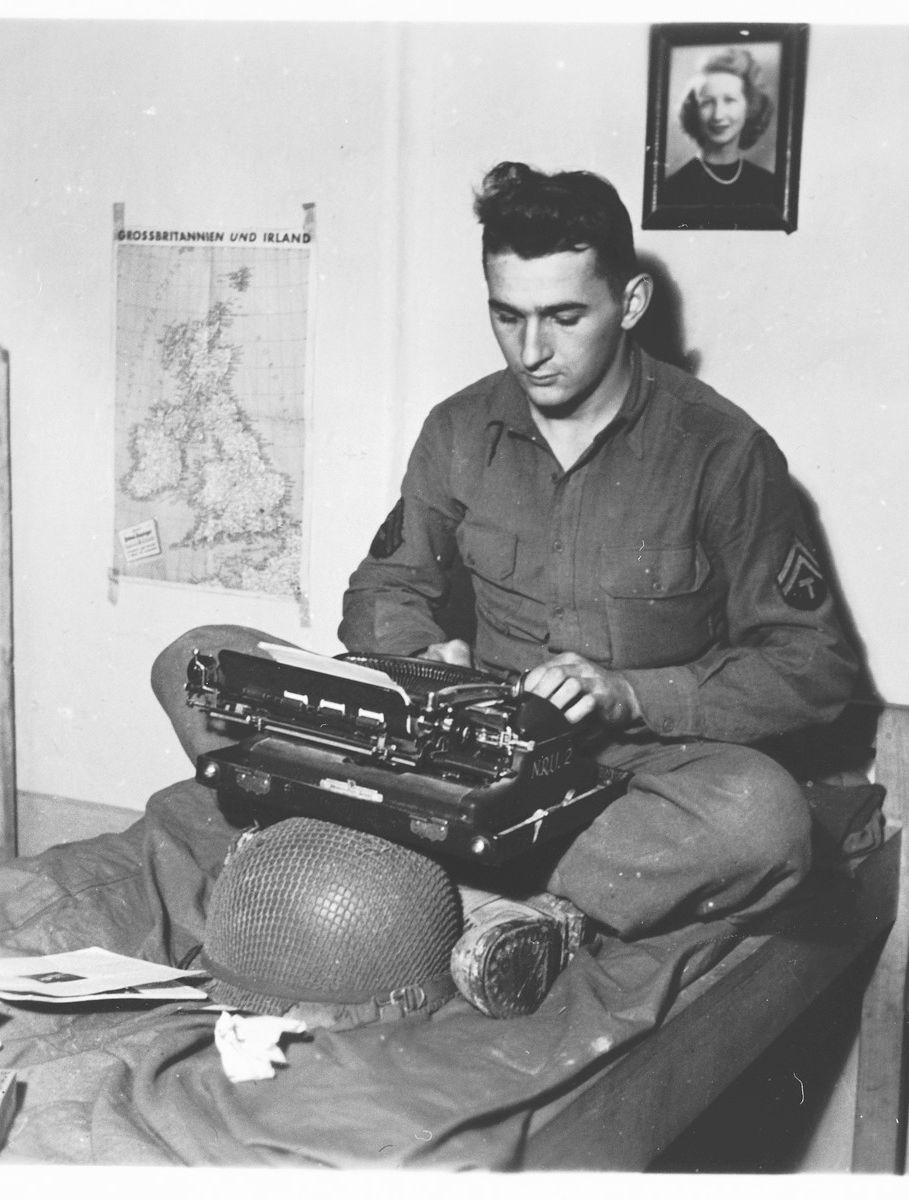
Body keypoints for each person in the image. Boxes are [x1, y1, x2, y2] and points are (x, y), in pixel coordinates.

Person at [330, 160, 858, 939]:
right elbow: (381, 591)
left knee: (763, 819)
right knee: (199, 658)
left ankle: (457, 874)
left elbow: (813, 668)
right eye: (507, 317)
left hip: (631, 769)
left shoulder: (722, 451)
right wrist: (424, 659)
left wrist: (632, 693)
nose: (532, 351)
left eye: (565, 317)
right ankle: (486, 877)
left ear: (631, 302)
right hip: (473, 748)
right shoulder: (457, 429)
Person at [661, 47, 781, 209]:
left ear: (750, 107)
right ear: (694, 109)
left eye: (729, 100)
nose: (718, 115)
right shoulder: (671, 190)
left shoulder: (770, 186)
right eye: (707, 102)